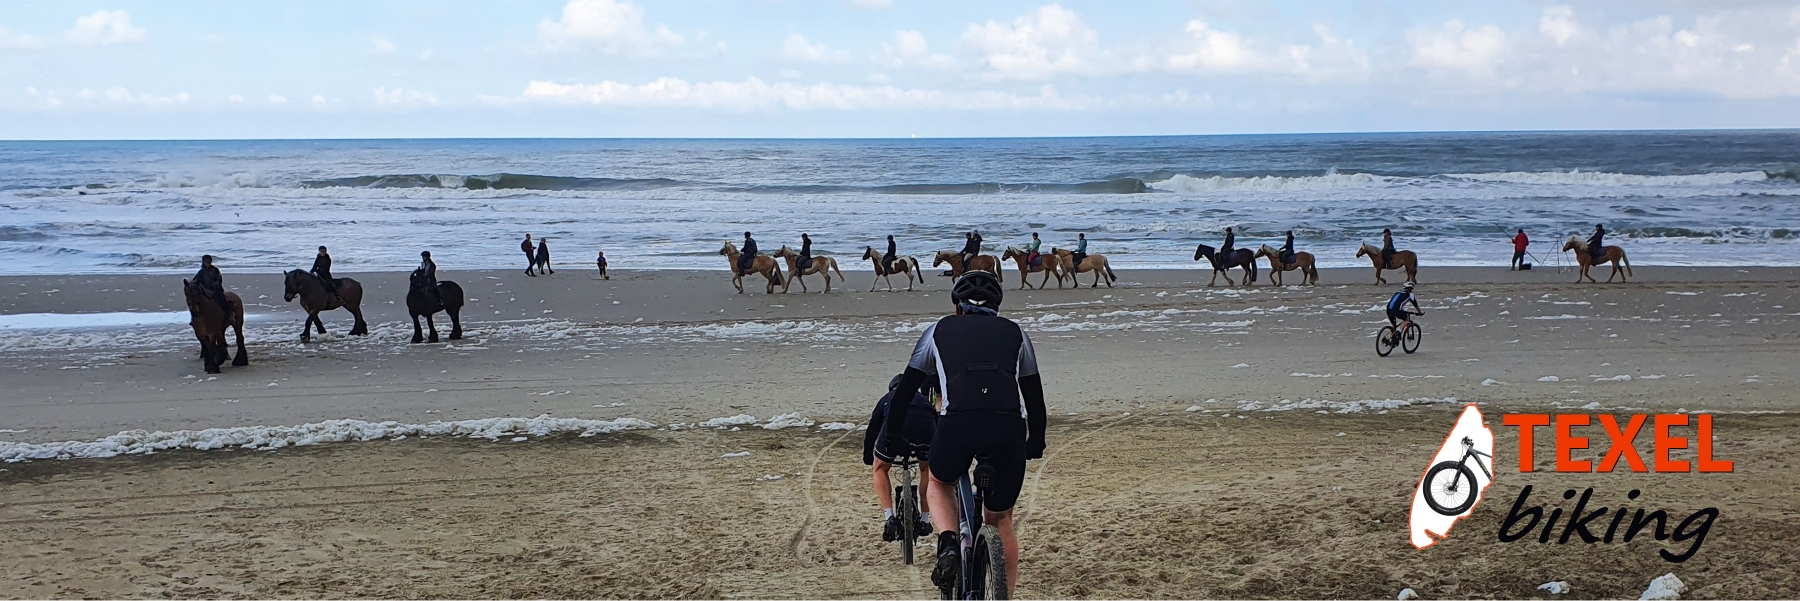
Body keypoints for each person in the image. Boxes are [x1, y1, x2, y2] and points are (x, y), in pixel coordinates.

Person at [884, 270, 1046, 594]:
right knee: (1001, 521)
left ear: (957, 307)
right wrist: (1035, 441)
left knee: (940, 484)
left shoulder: (938, 331)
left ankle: (947, 543)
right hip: (1008, 429)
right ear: (997, 309)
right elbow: (1034, 398)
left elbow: (906, 391)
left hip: (958, 425)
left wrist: (891, 435)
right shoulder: (1017, 334)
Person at [864, 373, 939, 542]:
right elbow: (937, 424)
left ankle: (889, 517)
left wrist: (869, 457)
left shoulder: (887, 398)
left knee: (880, 468)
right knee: (927, 468)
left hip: (897, 428)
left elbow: (872, 431)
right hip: (924, 426)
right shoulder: (924, 400)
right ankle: (925, 520)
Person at [193, 254, 234, 322]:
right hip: (205, 290)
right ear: (203, 262)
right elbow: (196, 281)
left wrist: (216, 285)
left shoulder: (215, 270)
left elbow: (219, 278)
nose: (207, 263)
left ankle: (229, 315)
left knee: (223, 300)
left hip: (216, 290)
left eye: (209, 262)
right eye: (206, 262)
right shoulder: (201, 272)